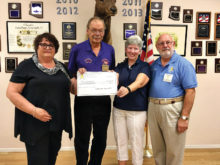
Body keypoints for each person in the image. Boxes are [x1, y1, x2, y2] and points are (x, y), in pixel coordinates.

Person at [6, 32, 73, 165]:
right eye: (43, 44)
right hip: (34, 123)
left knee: (51, 158)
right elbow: (11, 93)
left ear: (56, 49)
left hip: (56, 123)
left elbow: (71, 88)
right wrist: (34, 111)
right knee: (38, 160)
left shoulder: (62, 67)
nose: (47, 47)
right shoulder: (26, 66)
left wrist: (84, 76)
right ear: (37, 47)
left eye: (51, 45)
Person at [68, 16, 115, 165]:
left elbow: (111, 69)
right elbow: (70, 73)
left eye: (100, 30)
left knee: (101, 137)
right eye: (94, 30)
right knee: (82, 137)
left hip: (103, 101)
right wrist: (75, 77)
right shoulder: (77, 49)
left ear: (104, 32)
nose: (97, 33)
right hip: (83, 101)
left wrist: (113, 76)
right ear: (88, 31)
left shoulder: (109, 49)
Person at [148, 33, 198, 165]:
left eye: (168, 42)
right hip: (153, 109)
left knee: (174, 150)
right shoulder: (154, 65)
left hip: (173, 110)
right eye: (161, 43)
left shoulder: (183, 64)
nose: (165, 45)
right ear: (157, 47)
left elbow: (191, 92)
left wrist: (184, 117)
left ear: (173, 44)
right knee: (158, 150)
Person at [113, 35, 151, 165]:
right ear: (125, 49)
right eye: (130, 48)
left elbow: (140, 81)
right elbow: (114, 78)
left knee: (136, 141)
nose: (132, 51)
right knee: (120, 140)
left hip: (137, 111)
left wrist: (127, 89)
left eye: (136, 49)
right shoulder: (120, 65)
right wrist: (111, 81)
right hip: (119, 109)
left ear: (140, 51)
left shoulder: (145, 66)